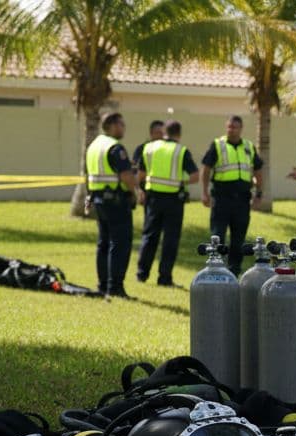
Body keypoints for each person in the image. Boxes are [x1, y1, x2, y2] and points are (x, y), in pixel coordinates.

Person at [135, 120, 199, 287]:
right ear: (179, 134)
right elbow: (195, 176)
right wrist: (180, 181)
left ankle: (141, 274)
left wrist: (141, 190)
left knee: (149, 236)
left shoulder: (149, 148)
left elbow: (140, 175)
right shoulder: (181, 151)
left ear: (164, 132)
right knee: (170, 239)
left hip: (153, 199)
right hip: (173, 200)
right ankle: (164, 278)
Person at [201, 115, 263, 272]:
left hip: (242, 199)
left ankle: (234, 270)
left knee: (238, 238)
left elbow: (258, 170)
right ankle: (215, 268)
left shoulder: (249, 147)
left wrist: (259, 193)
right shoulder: (218, 145)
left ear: (241, 129)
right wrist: (204, 192)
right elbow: (206, 169)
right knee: (218, 236)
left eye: (234, 127)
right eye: (229, 126)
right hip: (221, 198)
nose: (231, 130)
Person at [85, 112, 137, 299]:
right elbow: (126, 176)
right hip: (116, 201)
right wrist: (134, 192)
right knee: (120, 243)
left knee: (104, 243)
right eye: (122, 124)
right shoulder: (115, 147)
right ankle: (115, 287)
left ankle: (103, 284)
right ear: (113, 125)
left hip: (99, 200)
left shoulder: (94, 146)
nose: (124, 128)